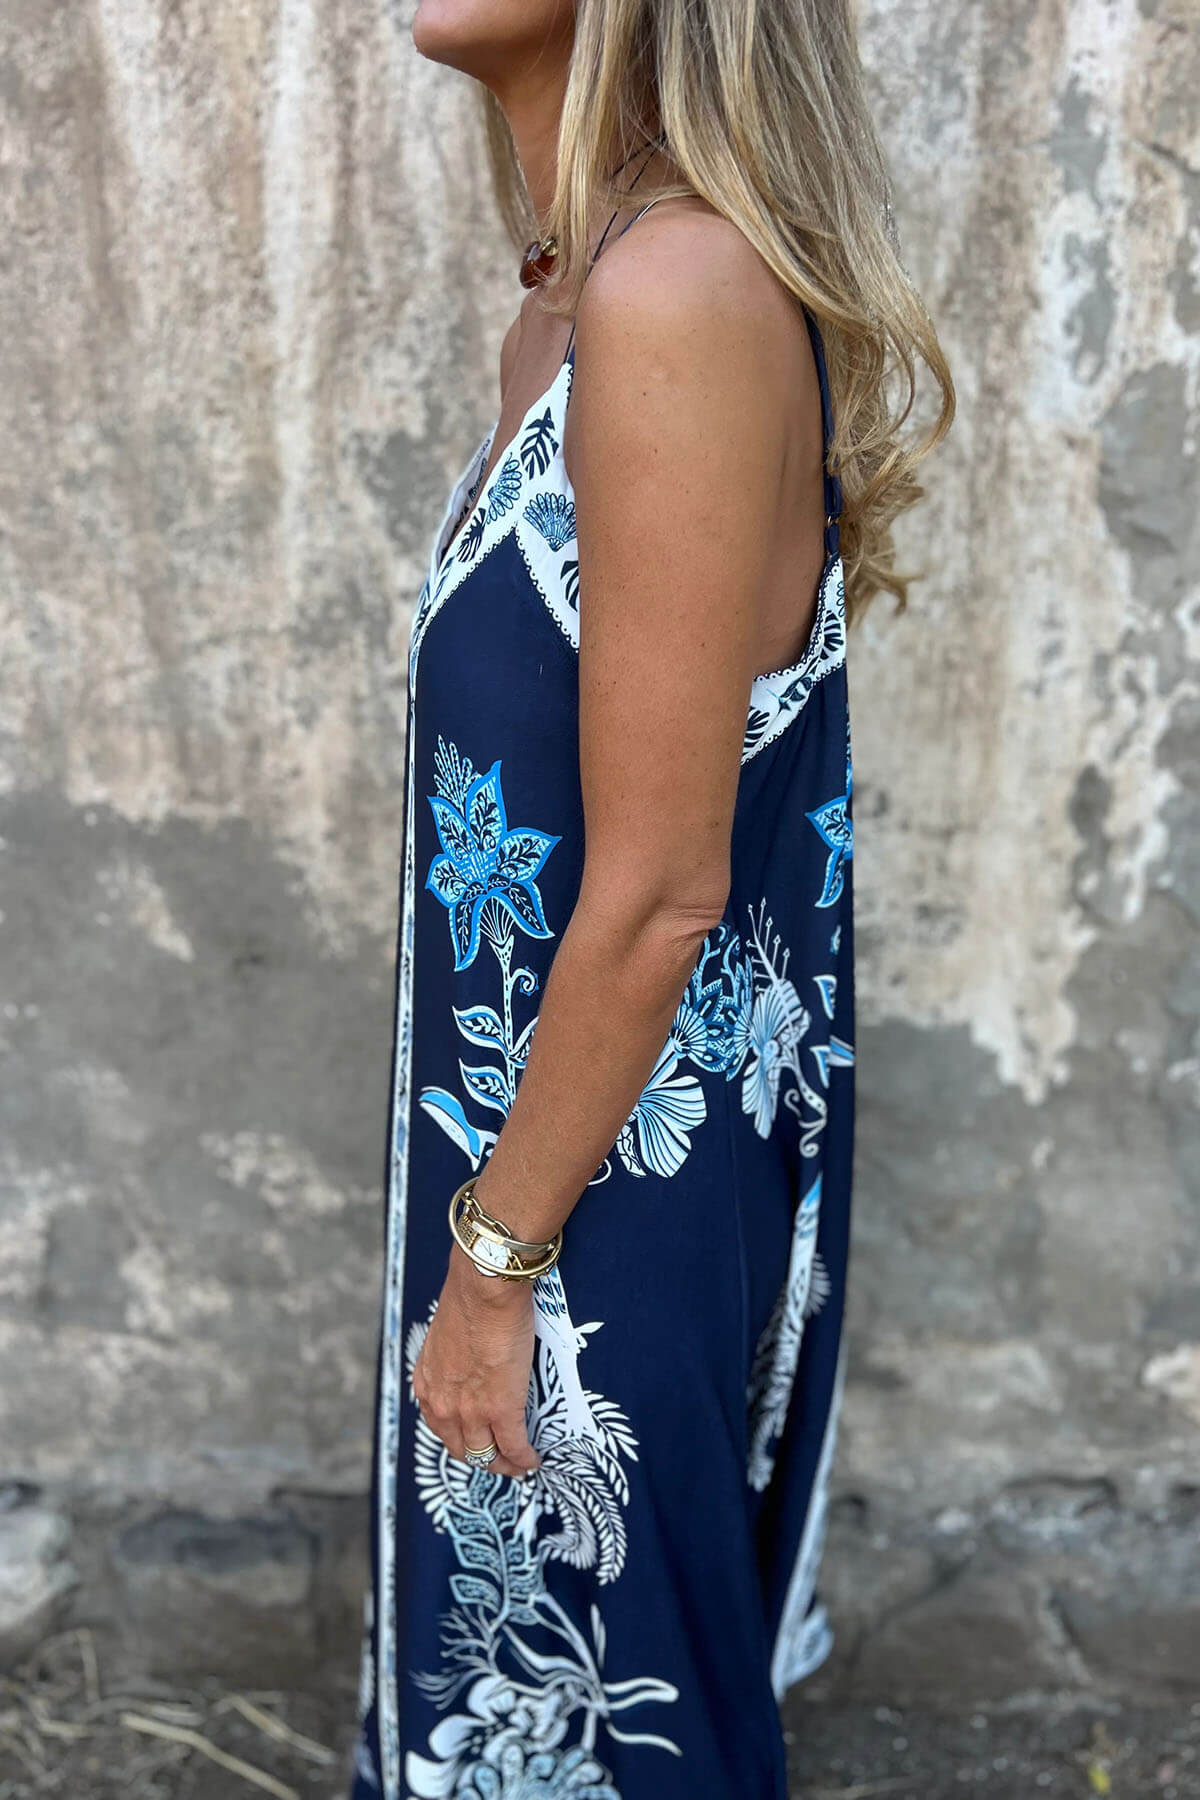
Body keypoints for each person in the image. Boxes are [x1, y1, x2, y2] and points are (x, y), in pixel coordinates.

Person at [349, 3, 953, 1796]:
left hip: (605, 1211)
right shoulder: (571, 308)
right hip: (543, 1163)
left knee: (612, 1729)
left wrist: (492, 1272)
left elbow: (667, 888)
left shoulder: (675, 294)